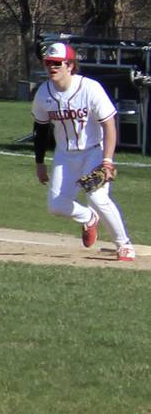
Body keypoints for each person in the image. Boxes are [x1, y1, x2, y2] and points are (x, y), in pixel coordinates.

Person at [31, 41, 136, 262]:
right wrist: (39, 163)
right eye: (48, 62)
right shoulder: (43, 93)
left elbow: (109, 124)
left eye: (57, 63)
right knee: (56, 206)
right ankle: (88, 218)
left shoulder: (90, 88)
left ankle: (123, 244)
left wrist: (107, 161)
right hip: (64, 155)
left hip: (93, 153)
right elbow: (40, 129)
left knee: (97, 197)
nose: (52, 67)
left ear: (70, 65)